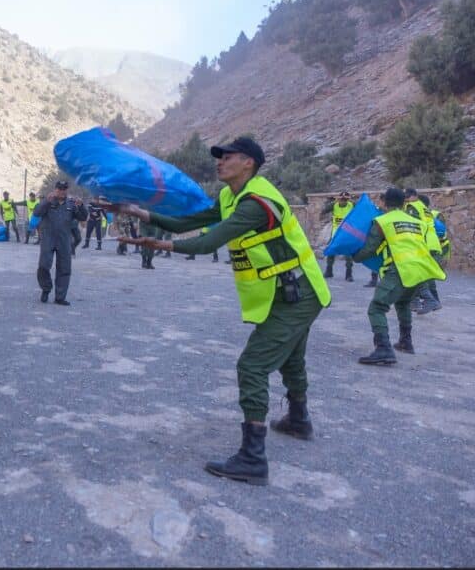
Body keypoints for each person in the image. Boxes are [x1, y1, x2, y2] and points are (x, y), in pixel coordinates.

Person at [101, 136, 331, 486]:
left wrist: (157, 244)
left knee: (252, 365)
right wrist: (136, 212)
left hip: (297, 293)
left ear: (248, 163)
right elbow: (188, 221)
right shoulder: (230, 196)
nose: (219, 162)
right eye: (219, 157)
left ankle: (253, 459)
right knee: (290, 357)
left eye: (228, 157)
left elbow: (209, 241)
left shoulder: (257, 202)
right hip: (286, 292)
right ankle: (299, 421)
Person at [353, 187, 445, 362]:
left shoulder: (382, 221)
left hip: (401, 270)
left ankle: (383, 348)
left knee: (377, 307)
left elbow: (370, 248)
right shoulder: (416, 221)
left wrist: (355, 256)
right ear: (404, 203)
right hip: (421, 270)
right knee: (403, 303)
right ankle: (405, 342)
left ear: (385, 203)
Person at [34, 181, 88, 305]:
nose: (62, 191)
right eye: (59, 188)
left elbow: (83, 217)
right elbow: (37, 213)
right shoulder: (48, 201)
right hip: (48, 239)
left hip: (64, 240)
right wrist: (47, 201)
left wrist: (81, 206)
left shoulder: (71, 204)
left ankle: (60, 297)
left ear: (66, 190)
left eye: (64, 189)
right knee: (43, 266)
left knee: (64, 268)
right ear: (55, 189)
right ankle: (46, 289)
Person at [411, 195, 446, 314]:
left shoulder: (418, 214)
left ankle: (426, 301)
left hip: (426, 247)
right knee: (427, 276)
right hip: (434, 246)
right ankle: (432, 301)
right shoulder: (431, 215)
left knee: (419, 275)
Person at [323, 191, 355, 281]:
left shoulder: (352, 205)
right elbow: (324, 210)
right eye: (341, 199)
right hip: (336, 233)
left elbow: (361, 209)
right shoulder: (334, 205)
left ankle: (349, 274)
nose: (343, 201)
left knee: (348, 254)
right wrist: (333, 202)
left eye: (345, 199)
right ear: (338, 199)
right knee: (331, 252)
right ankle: (329, 271)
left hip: (347, 233)